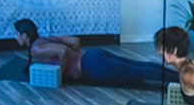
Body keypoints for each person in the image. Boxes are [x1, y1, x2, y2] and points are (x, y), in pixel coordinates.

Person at [13, 18, 177, 87]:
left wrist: (61, 75)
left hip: (93, 66)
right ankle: (178, 77)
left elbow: (63, 50)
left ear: (25, 35)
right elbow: (74, 41)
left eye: (17, 34)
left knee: (139, 72)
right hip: (93, 55)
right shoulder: (46, 39)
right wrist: (75, 58)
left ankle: (180, 80)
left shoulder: (36, 49)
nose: (15, 37)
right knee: (140, 66)